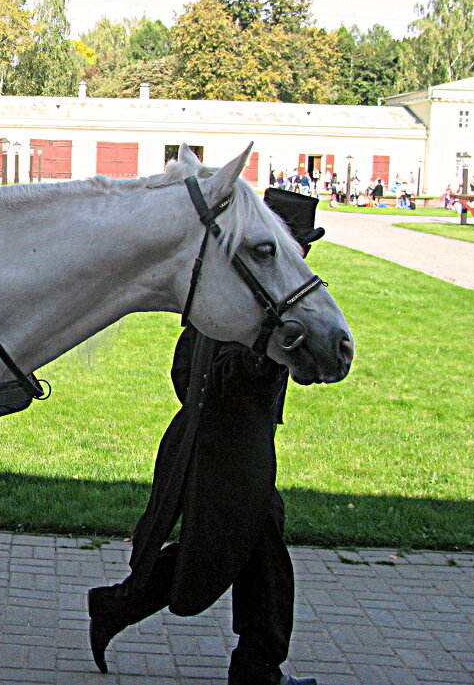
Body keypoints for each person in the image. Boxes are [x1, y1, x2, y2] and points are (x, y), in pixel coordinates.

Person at [87, 188, 325, 685]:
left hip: (236, 449)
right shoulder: (240, 308)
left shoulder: (254, 300)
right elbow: (191, 372)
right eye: (294, 247)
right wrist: (256, 362)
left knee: (246, 556)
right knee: (240, 558)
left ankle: (251, 666)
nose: (302, 258)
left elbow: (186, 372)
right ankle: (122, 606)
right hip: (226, 454)